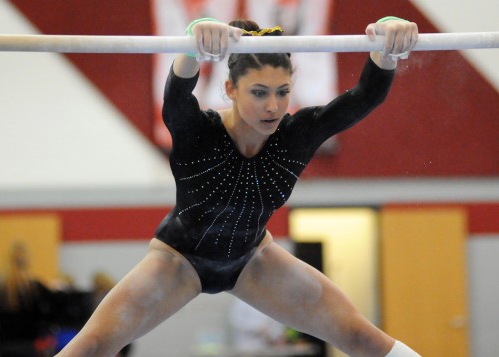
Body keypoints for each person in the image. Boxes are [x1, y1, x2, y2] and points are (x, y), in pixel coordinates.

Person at [56, 16, 420, 357]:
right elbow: (176, 99)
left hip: (254, 260)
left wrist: (388, 42)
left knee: (363, 337)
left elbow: (365, 97)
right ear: (230, 88)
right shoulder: (199, 133)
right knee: (90, 347)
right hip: (178, 261)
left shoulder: (298, 135)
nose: (273, 106)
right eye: (259, 93)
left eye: (283, 91)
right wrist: (193, 41)